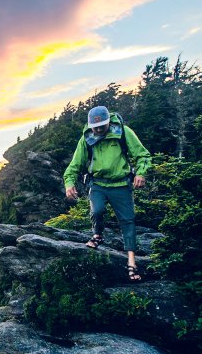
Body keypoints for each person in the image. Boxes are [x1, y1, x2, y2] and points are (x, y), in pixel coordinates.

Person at [63, 105, 151, 281]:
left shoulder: (123, 132)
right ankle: (97, 234)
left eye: (101, 126)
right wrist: (69, 183)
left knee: (127, 220)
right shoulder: (87, 138)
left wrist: (141, 172)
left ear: (108, 122)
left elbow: (143, 155)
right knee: (97, 211)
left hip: (121, 184)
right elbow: (75, 164)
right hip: (98, 184)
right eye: (95, 127)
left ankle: (132, 262)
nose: (98, 130)